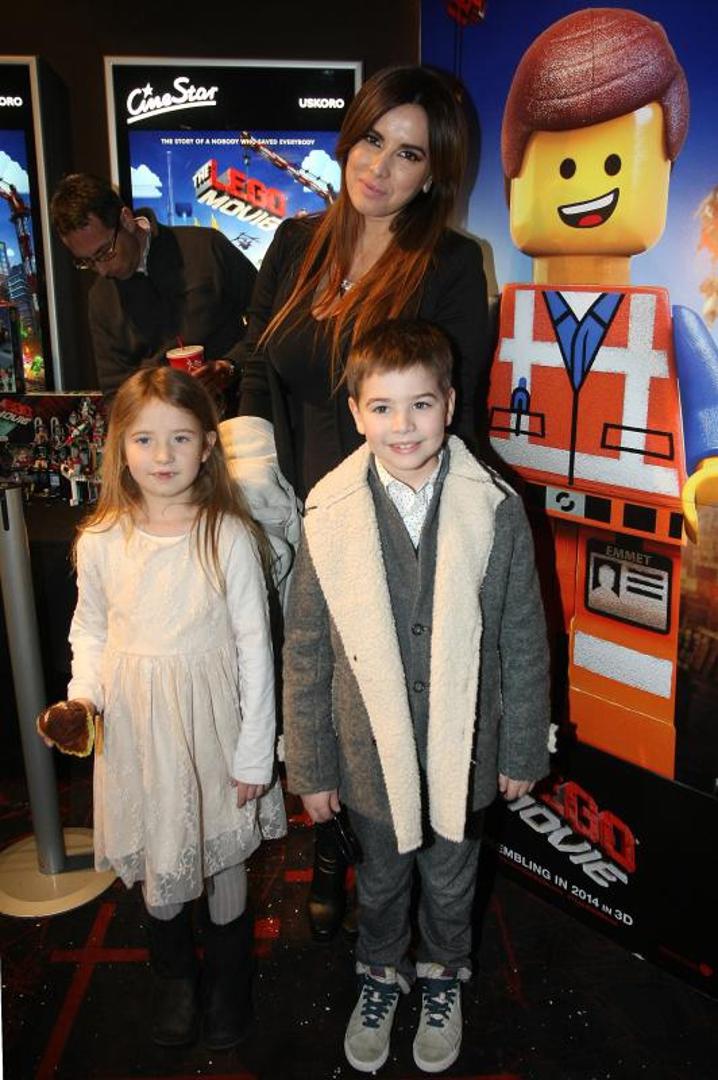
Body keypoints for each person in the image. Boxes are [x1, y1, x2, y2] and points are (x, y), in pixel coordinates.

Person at [223, 63, 491, 942]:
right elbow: (256, 358)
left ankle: (370, 859)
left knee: (380, 696)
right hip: (293, 510)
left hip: (390, 520)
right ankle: (333, 838)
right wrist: (252, 467)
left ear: (433, 174)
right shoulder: (296, 241)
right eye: (372, 138)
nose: (378, 165)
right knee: (314, 690)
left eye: (408, 153)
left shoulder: (449, 264)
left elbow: (454, 410)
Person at [283, 319, 551, 1074]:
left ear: (450, 404)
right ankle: (379, 974)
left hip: (465, 747)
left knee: (451, 877)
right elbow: (306, 650)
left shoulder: (494, 507)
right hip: (367, 754)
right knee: (382, 877)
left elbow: (524, 637)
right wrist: (312, 767)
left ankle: (442, 975)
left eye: (421, 405)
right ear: (356, 412)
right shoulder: (328, 513)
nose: (402, 426)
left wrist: (522, 746)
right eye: (382, 407)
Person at [39, 367, 286, 1050]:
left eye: (180, 438)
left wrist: (254, 751)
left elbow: (255, 647)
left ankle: (229, 982)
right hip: (138, 730)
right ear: (120, 448)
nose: (162, 455)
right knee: (160, 850)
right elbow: (90, 632)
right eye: (144, 439)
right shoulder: (101, 539)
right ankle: (174, 976)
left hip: (214, 727)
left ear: (208, 445)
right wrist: (83, 698)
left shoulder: (228, 535)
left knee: (222, 853)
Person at [50, 173, 257, 404]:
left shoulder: (206, 247)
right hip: (160, 421)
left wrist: (231, 365)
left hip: (238, 410)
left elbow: (269, 319)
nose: (102, 270)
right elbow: (115, 393)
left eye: (104, 252)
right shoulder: (101, 298)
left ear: (126, 220)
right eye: (86, 262)